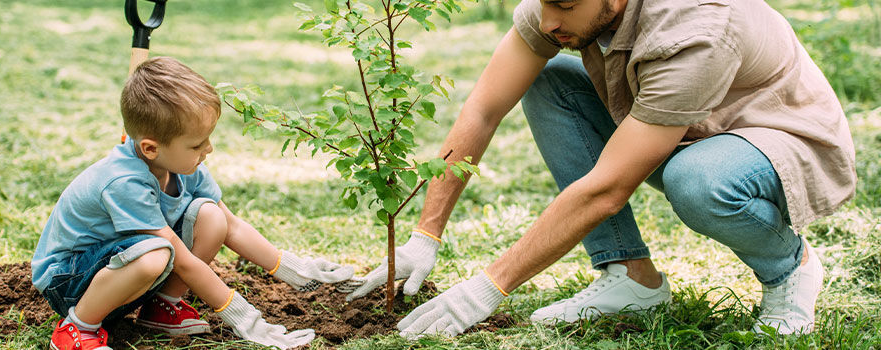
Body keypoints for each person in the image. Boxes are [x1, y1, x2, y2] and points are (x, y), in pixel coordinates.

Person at [348, 0, 856, 337]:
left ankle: (789, 269)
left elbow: (606, 190)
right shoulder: (558, 7)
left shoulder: (698, 28)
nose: (548, 20)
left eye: (564, 5)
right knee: (549, 79)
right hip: (683, 127)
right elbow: (483, 107)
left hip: (777, 137)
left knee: (698, 180)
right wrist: (425, 234)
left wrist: (487, 288)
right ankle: (630, 277)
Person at [31, 57, 355, 350]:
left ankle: (161, 306)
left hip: (118, 268)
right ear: (150, 148)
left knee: (212, 218)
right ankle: (77, 329)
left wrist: (293, 269)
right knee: (156, 254)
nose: (209, 149)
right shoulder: (124, 182)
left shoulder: (184, 166)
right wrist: (244, 318)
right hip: (70, 280)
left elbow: (232, 225)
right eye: (198, 144)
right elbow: (182, 260)